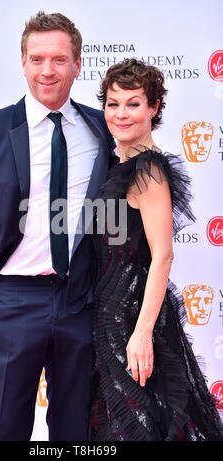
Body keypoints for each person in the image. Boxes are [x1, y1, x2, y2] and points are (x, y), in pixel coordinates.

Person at [0, 11, 114, 441]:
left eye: (59, 59)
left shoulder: (103, 128)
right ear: (22, 63)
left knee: (78, 434)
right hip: (10, 303)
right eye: (37, 59)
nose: (47, 70)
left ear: (77, 64)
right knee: (3, 431)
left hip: (80, 304)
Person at [90, 58, 223, 441]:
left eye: (133, 103)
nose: (121, 113)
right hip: (109, 318)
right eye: (113, 104)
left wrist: (142, 332)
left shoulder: (149, 170)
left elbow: (162, 255)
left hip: (134, 321)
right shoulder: (120, 166)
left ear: (154, 108)